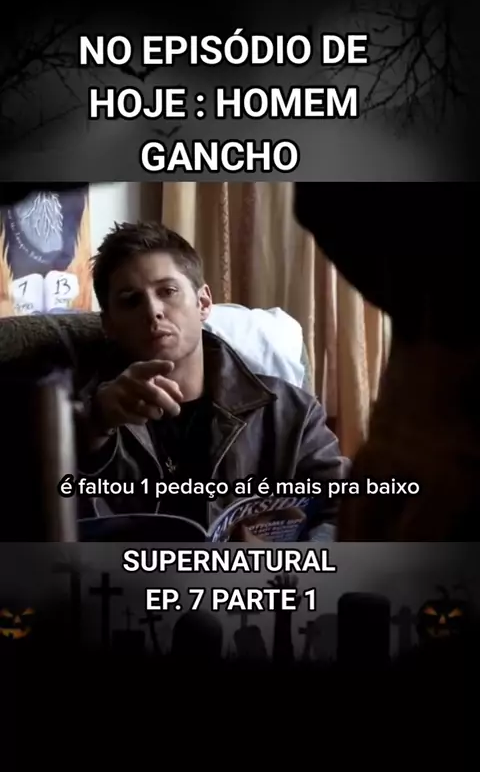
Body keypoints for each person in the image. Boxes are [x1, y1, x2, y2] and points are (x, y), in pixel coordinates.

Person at [74, 221, 349, 539]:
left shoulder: (291, 412)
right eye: (130, 300)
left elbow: (344, 510)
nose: (153, 311)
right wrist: (94, 425)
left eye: (168, 291)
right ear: (108, 325)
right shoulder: (76, 414)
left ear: (203, 303)